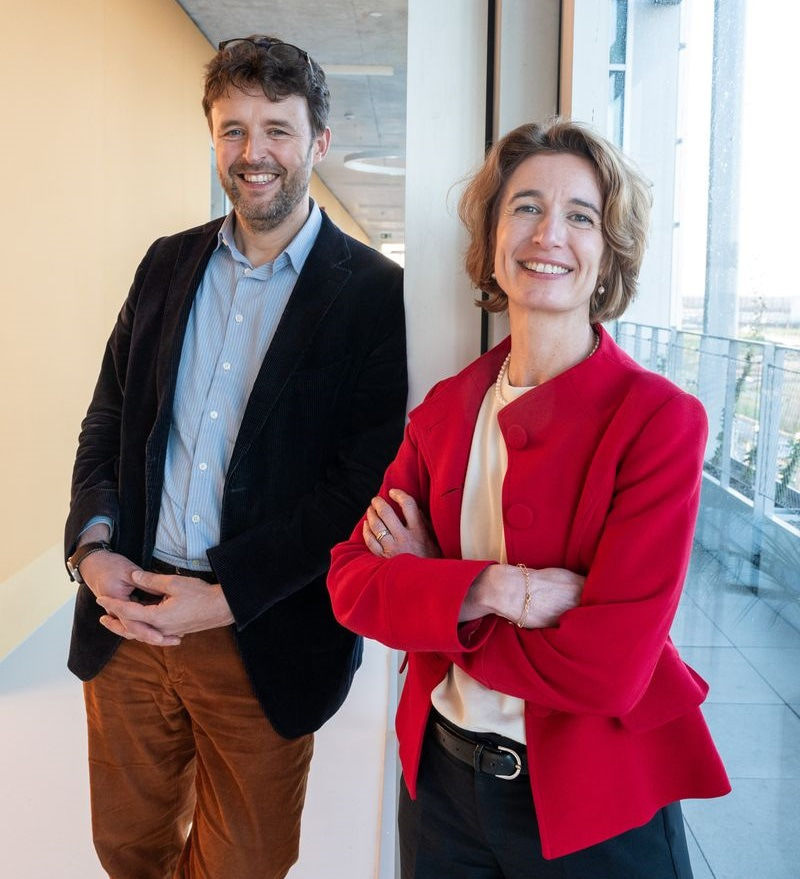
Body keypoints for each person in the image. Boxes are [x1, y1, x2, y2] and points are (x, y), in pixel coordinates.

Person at [327, 119, 730, 878]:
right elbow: (350, 583)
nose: (549, 234)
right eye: (526, 207)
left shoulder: (659, 421)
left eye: (581, 216)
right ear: (492, 239)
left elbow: (607, 671)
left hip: (592, 807)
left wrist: (433, 594)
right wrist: (492, 589)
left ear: (609, 255)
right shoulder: (446, 409)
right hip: (442, 792)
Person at [64, 35, 407, 879]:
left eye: (278, 129)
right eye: (234, 129)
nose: (255, 153)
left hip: (264, 632)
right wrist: (93, 544)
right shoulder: (166, 262)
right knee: (128, 847)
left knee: (245, 863)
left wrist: (225, 598)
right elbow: (109, 416)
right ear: (213, 136)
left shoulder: (374, 294)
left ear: (318, 143)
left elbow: (356, 486)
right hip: (130, 618)